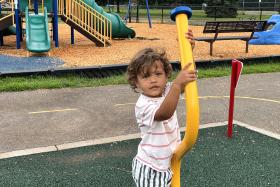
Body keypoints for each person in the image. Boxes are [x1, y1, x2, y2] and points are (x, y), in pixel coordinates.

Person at [127, 30, 197, 187]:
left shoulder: (167, 90)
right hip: (150, 167)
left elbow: (189, 78)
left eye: (158, 74)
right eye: (146, 76)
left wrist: (189, 50)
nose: (153, 80)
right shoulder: (142, 105)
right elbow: (164, 113)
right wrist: (178, 84)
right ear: (136, 83)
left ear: (166, 76)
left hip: (165, 163)